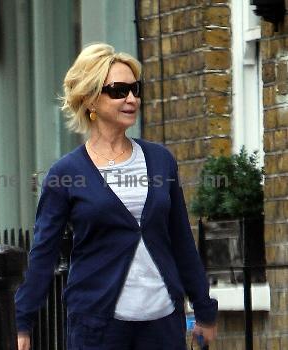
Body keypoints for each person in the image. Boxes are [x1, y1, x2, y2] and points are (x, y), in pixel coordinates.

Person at [15, 43, 218, 350]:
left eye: (135, 89)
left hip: (163, 323)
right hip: (97, 326)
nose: (132, 99)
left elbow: (181, 240)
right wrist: (22, 323)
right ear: (90, 99)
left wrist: (204, 309)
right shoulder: (66, 173)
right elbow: (43, 254)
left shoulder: (161, 161)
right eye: (119, 90)